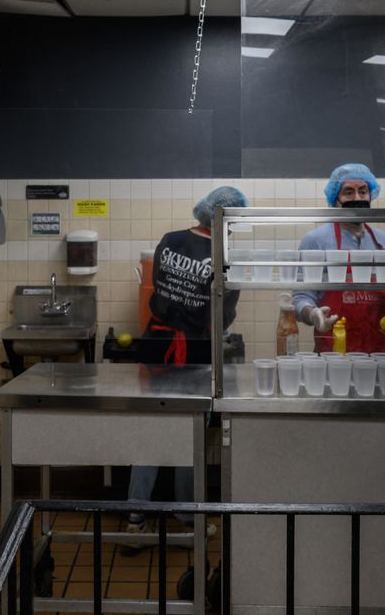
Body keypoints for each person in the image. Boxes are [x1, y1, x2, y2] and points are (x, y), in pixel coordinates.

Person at [125, 186, 246, 542]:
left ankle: (135, 518)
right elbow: (221, 316)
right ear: (228, 218)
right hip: (193, 349)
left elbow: (159, 289)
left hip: (157, 343)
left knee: (151, 432)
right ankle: (187, 513)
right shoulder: (225, 256)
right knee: (190, 432)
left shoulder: (170, 239)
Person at [293, 163, 385, 353]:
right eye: (349, 192)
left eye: (363, 191)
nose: (357, 198)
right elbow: (301, 297)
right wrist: (313, 314)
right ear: (335, 199)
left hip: (379, 352)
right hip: (334, 351)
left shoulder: (383, 240)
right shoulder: (316, 240)